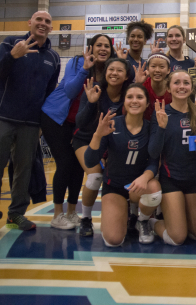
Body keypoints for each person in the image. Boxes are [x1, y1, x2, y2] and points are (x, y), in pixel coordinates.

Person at [0, 11, 60, 238]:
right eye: (39, 20)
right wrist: (12, 56)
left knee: (24, 170)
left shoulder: (53, 58)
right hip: (2, 117)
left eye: (47, 22)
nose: (43, 24)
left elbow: (49, 92)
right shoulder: (10, 43)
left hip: (31, 122)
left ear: (51, 28)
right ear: (30, 23)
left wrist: (43, 122)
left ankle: (16, 214)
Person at [41, 34, 114, 229]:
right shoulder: (77, 62)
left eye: (107, 46)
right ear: (91, 47)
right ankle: (58, 214)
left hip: (78, 125)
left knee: (77, 168)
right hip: (55, 118)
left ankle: (72, 213)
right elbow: (70, 91)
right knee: (64, 164)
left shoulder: (108, 69)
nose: (103, 49)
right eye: (99, 45)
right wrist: (85, 69)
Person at [84, 84, 162, 246]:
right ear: (124, 102)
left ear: (147, 103)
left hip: (137, 186)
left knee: (154, 190)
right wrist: (98, 135)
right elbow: (90, 162)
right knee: (113, 240)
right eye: (130, 97)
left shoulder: (150, 128)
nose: (134, 101)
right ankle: (125, 212)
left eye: (139, 97)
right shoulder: (111, 124)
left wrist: (144, 177)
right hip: (114, 186)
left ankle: (142, 220)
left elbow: (154, 162)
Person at [74, 58, 131, 237]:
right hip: (86, 139)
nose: (114, 73)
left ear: (126, 75)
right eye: (111, 70)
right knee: (95, 175)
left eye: (119, 70)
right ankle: (86, 218)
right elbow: (80, 123)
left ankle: (133, 216)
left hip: (113, 143)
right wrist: (91, 102)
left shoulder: (129, 94)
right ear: (105, 73)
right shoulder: (96, 89)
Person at [148, 71, 196, 246]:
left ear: (192, 87)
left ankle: (176, 216)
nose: (181, 86)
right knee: (177, 238)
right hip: (171, 178)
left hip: (194, 180)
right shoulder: (161, 113)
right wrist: (162, 128)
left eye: (186, 83)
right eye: (177, 83)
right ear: (169, 88)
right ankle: (150, 222)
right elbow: (153, 152)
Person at [134, 53, 172, 120]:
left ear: (168, 70)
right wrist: (137, 84)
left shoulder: (172, 88)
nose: (157, 70)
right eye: (153, 66)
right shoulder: (142, 85)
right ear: (147, 69)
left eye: (162, 67)